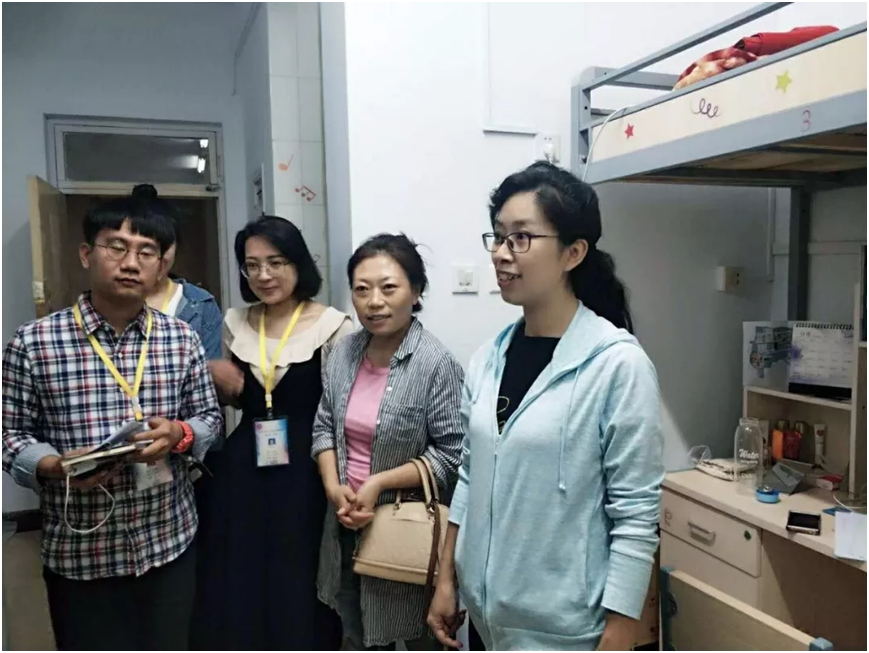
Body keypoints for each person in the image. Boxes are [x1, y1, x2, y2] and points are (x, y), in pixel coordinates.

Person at [428, 162, 664, 651]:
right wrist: (447, 580)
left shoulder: (616, 366)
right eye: (498, 237)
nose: (501, 253)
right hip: (487, 623)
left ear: (573, 252)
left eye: (520, 238)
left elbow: (637, 516)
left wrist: (621, 631)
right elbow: (470, 477)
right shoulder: (489, 359)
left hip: (568, 632)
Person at [2, 194, 223, 650]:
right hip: (82, 553)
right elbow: (10, 433)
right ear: (87, 254)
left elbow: (208, 418)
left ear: (161, 266)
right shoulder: (35, 342)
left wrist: (179, 434)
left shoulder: (180, 338)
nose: (131, 262)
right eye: (116, 247)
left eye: (146, 252)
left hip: (168, 543)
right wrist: (55, 466)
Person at [191, 215, 352, 651]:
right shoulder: (236, 322)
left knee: (299, 566)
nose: (263, 275)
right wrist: (216, 379)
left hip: (309, 467)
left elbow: (341, 411)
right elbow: (231, 401)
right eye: (252, 265)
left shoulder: (333, 325)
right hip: (244, 465)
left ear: (298, 263)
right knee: (242, 565)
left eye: (276, 262)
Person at [313, 233, 465, 651]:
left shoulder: (436, 363)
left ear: (415, 292)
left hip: (405, 531)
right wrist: (333, 486)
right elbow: (324, 426)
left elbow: (452, 455)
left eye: (388, 288)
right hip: (344, 524)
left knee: (414, 636)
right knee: (355, 634)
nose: (374, 302)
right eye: (362, 290)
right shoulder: (343, 352)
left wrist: (378, 483)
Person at [131, 184, 223, 360]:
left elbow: (211, 371)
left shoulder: (201, 305)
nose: (154, 255)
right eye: (144, 247)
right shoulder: (109, 300)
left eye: (163, 246)